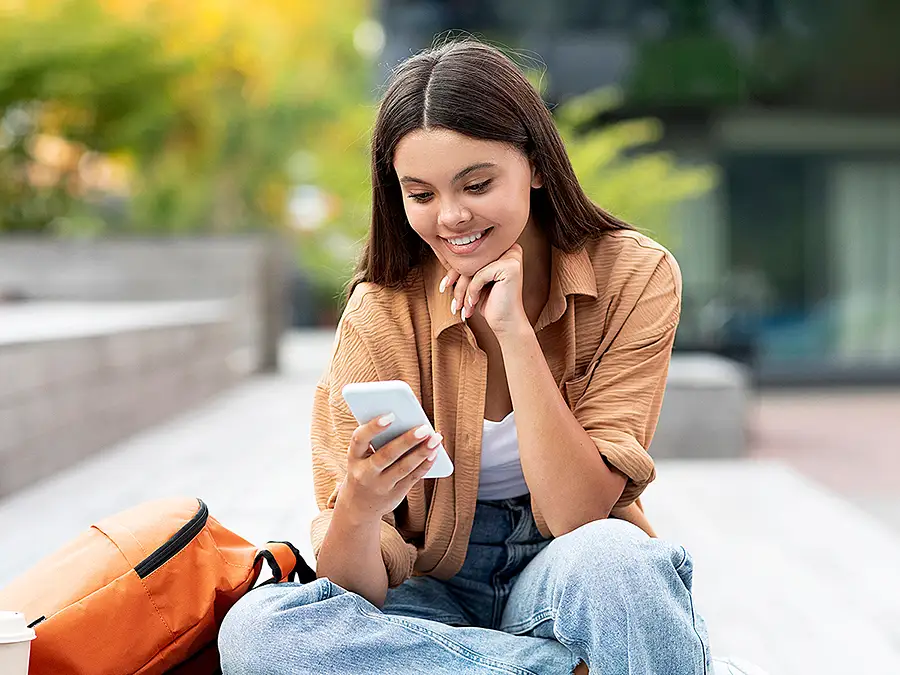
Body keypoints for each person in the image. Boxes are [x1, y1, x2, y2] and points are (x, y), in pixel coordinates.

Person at [219, 39, 765, 675]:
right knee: (260, 634)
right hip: (428, 589)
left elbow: (577, 515)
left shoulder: (633, 275)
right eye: (420, 195)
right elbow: (355, 595)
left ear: (534, 165)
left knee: (623, 561)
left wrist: (514, 332)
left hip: (563, 568)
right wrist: (359, 510)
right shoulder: (381, 312)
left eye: (477, 185)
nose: (451, 217)